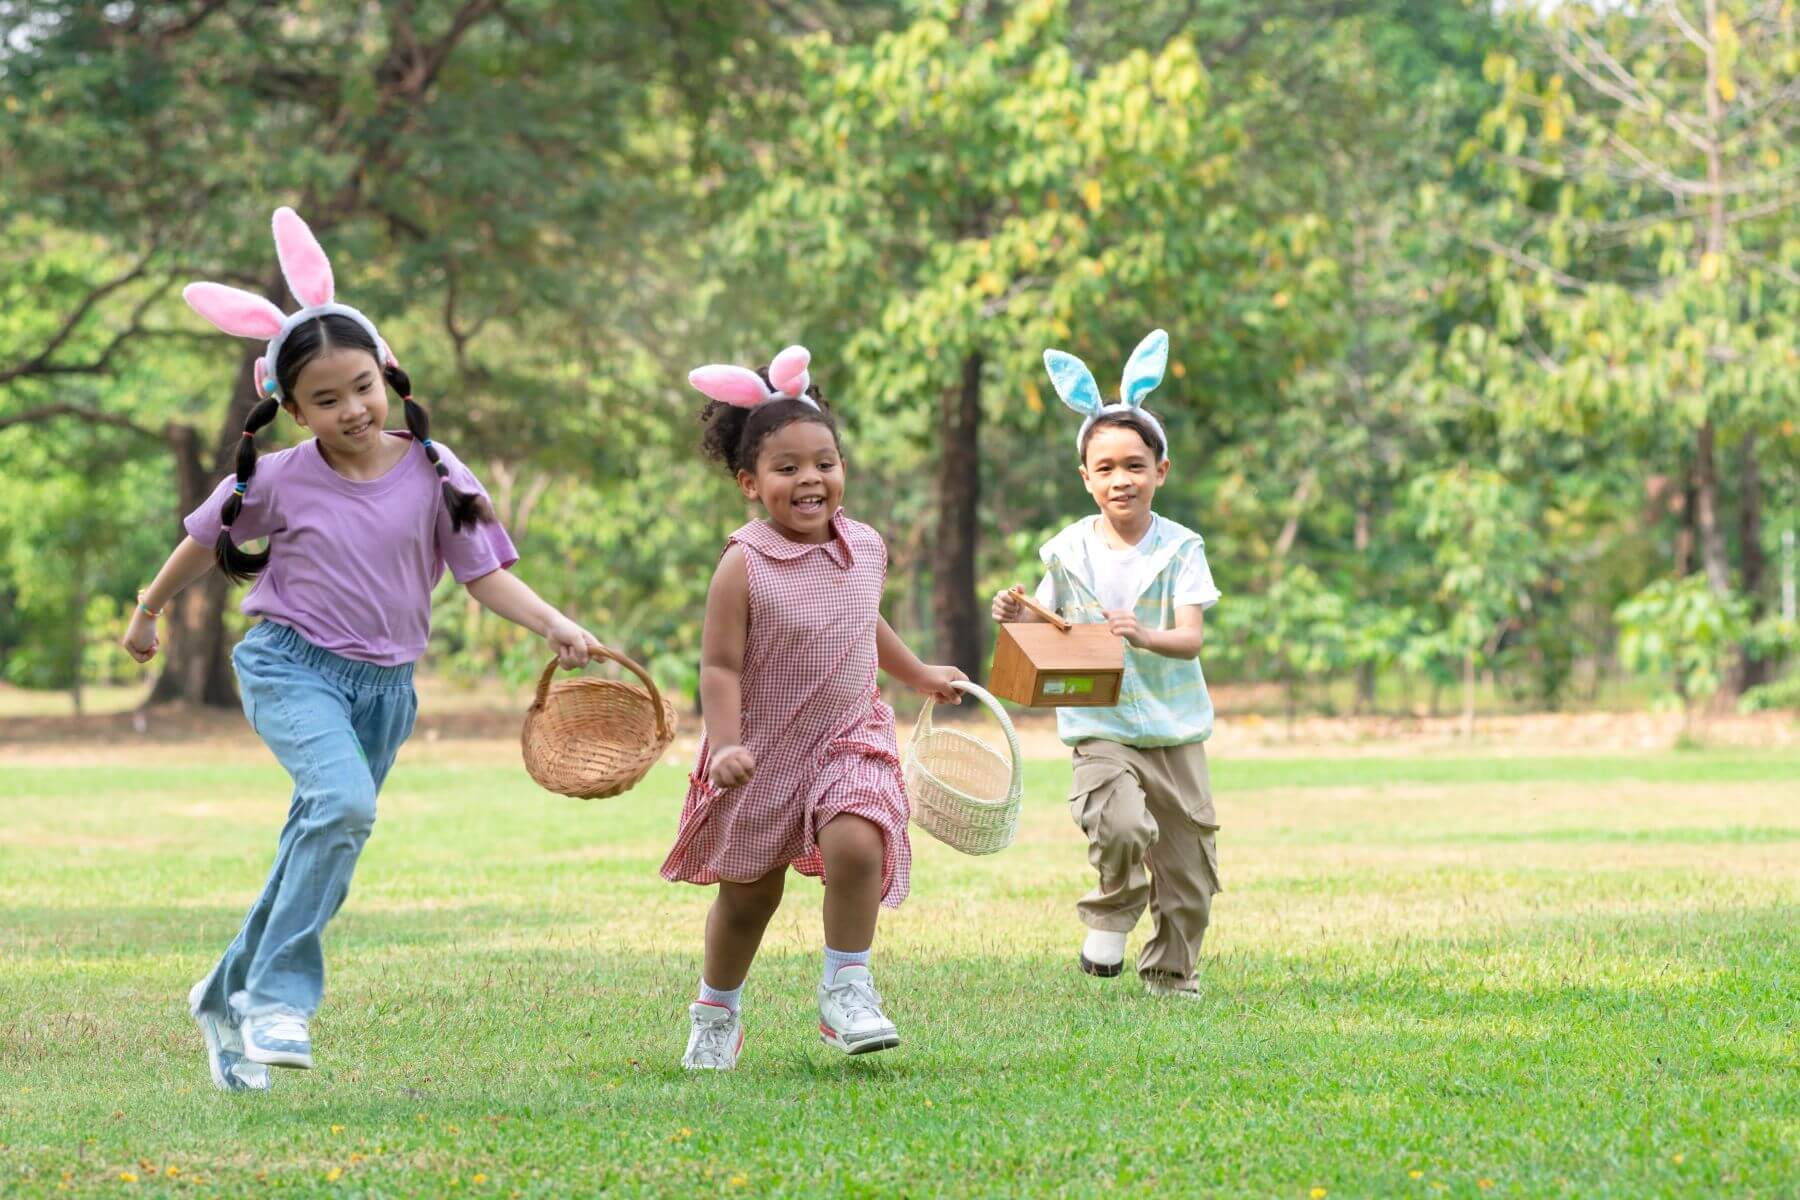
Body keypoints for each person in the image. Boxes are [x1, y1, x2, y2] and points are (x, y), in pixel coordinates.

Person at [122, 208, 600, 1089]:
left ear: (387, 375)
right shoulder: (275, 478)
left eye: (362, 387)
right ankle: (277, 1001)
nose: (351, 409)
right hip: (290, 664)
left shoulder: (436, 468)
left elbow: (483, 574)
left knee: (323, 833)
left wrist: (555, 624)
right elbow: (201, 539)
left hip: (385, 691)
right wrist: (148, 610)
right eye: (325, 400)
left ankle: (223, 994)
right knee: (342, 807)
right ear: (292, 409)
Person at [663, 345, 965, 1069]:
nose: (811, 479)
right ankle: (717, 1010)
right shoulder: (744, 563)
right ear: (749, 482)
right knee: (747, 901)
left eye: (825, 462)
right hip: (760, 753)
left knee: (859, 842)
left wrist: (918, 673)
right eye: (787, 467)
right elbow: (719, 666)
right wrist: (727, 745)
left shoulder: (865, 546)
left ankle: (847, 988)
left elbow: (866, 621)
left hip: (846, 740)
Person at [991, 329, 1222, 999]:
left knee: (1191, 868)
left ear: (1160, 471)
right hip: (1100, 721)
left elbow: (1191, 639)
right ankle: (1114, 910)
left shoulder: (1181, 548)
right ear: (1086, 479)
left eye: (1135, 464)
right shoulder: (1066, 551)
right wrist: (1016, 612)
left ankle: (1173, 975)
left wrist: (1145, 636)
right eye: (1107, 467)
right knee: (1118, 823)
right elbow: (1045, 621)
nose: (1122, 478)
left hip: (1175, 727)